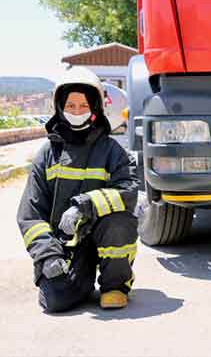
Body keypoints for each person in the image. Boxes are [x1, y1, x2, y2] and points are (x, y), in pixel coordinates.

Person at [17, 67, 139, 312]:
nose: (76, 112)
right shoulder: (47, 154)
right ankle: (80, 282)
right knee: (55, 301)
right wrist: (48, 255)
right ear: (60, 107)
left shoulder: (112, 150)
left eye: (83, 106)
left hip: (103, 235)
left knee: (118, 223)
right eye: (70, 106)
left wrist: (83, 205)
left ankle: (115, 285)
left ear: (95, 108)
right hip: (65, 245)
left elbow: (129, 191)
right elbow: (30, 216)